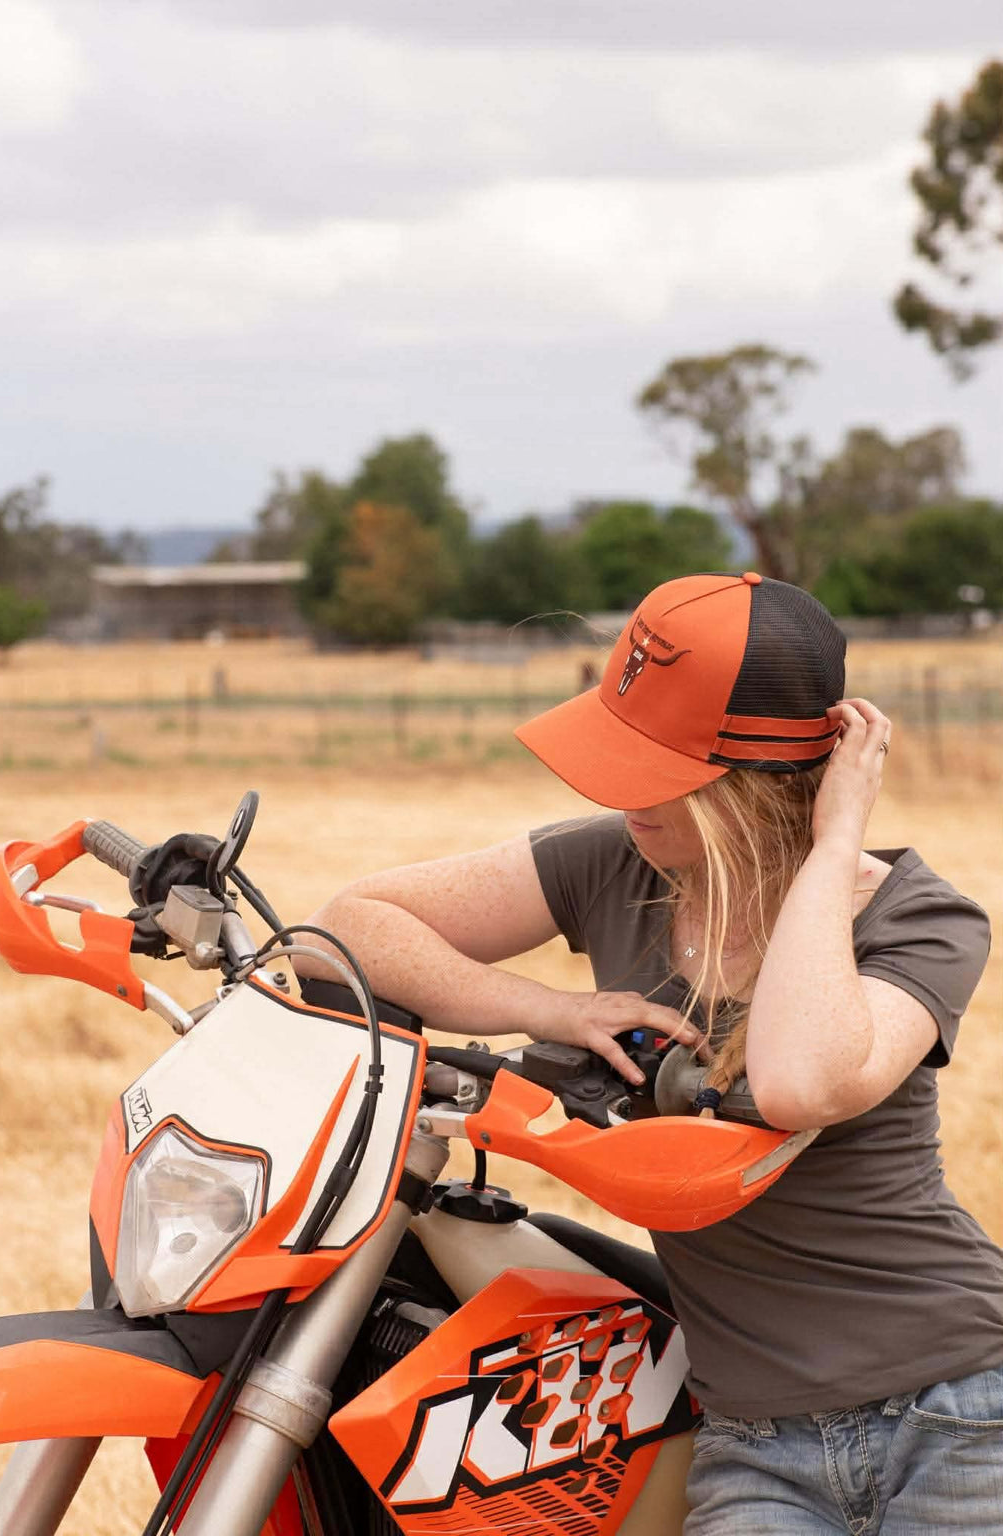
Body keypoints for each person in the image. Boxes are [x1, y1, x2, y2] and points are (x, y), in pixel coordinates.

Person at [301, 571, 1002, 1534]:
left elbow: (801, 1080)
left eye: (654, 768)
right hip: (753, 1441)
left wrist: (835, 839)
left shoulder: (921, 920)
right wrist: (550, 1008)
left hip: (957, 1409)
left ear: (760, 784)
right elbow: (346, 924)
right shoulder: (616, 863)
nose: (613, 791)